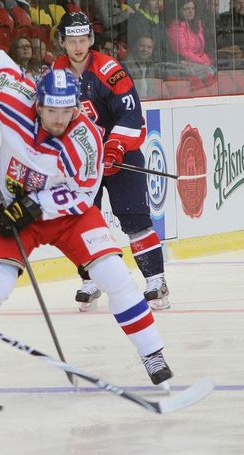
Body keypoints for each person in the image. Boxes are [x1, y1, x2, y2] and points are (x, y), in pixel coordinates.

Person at [0, 50, 173, 396]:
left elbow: (82, 194)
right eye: (52, 110)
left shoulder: (86, 140)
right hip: (11, 210)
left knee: (113, 274)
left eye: (68, 110)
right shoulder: (14, 97)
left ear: (77, 106)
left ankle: (153, 355)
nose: (60, 119)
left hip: (67, 215)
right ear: (38, 103)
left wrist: (34, 206)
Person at [52, 12, 170, 311]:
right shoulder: (57, 72)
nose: (78, 47)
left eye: (83, 40)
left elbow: (131, 114)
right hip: (83, 162)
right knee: (79, 219)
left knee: (133, 216)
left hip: (120, 155)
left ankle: (156, 280)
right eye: (71, 41)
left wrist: (115, 148)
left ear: (90, 40)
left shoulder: (109, 69)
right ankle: (91, 279)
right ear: (62, 42)